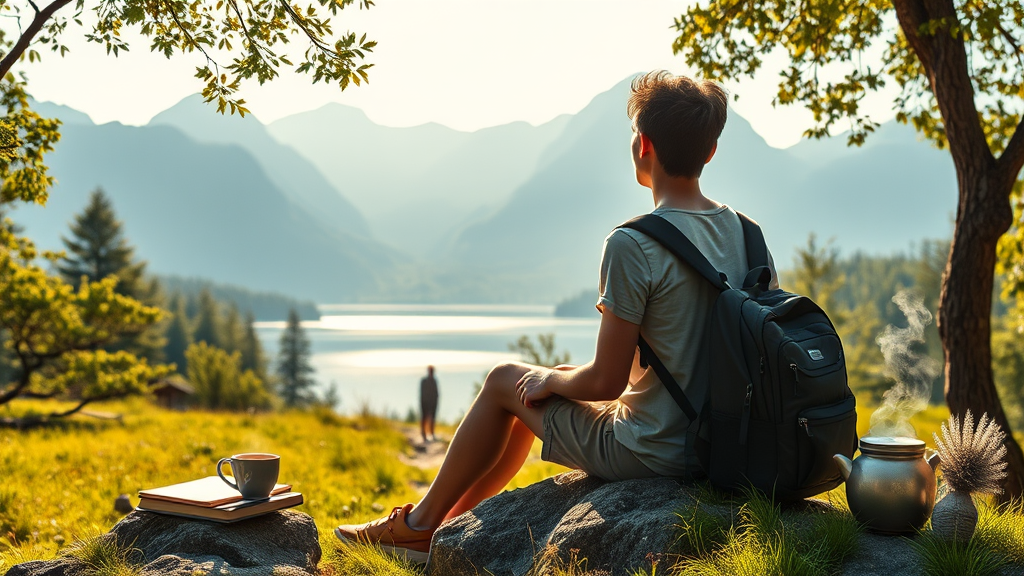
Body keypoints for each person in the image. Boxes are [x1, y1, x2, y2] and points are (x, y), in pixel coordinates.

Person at [334, 71, 778, 563]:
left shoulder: (635, 244)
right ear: (710, 151)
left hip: (657, 452)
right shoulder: (749, 234)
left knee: (508, 380)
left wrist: (546, 378)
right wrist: (555, 379)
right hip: (726, 447)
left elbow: (608, 381)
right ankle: (451, 527)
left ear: (643, 145)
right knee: (552, 380)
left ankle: (419, 525)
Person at [420, 365, 439, 443]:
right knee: (424, 418)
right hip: (425, 403)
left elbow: (436, 393)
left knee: (432, 418)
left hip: (433, 403)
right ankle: (424, 434)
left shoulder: (434, 381)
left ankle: (431, 433)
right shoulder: (424, 381)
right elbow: (422, 393)